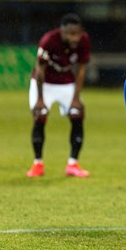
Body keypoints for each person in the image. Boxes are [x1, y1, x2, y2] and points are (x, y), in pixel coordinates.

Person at [26, 13, 91, 178]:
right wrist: (40, 99)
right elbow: (40, 69)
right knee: (40, 115)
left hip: (66, 83)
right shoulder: (49, 40)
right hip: (44, 83)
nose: (74, 37)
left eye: (77, 33)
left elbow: (81, 69)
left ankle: (73, 164)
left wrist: (76, 98)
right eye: (70, 34)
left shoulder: (84, 40)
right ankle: (37, 164)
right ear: (62, 31)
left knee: (77, 113)